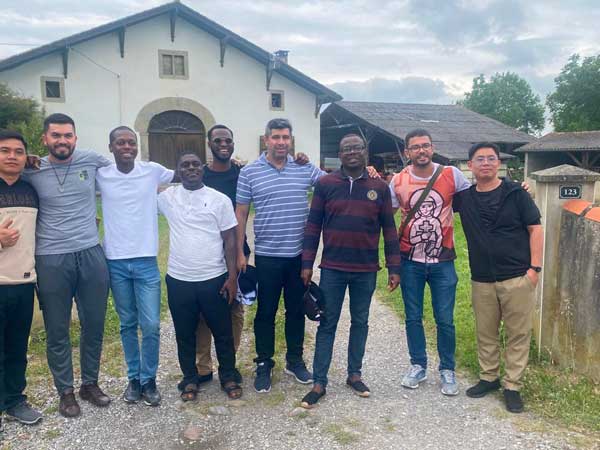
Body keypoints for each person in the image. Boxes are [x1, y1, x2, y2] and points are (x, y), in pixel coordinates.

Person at [299, 133, 401, 408]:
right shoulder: (325, 184)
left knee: (361, 321)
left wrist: (394, 266)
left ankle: (354, 374)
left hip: (365, 269)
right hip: (332, 268)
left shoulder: (379, 187)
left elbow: (389, 229)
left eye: (357, 147)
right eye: (346, 148)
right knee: (327, 323)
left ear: (365, 151)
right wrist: (307, 264)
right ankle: (319, 382)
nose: (352, 152)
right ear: (339, 154)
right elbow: (313, 226)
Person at [22, 113, 111, 417]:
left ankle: (90, 383)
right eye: (56, 135)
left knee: (94, 323)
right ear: (45, 139)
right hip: (51, 258)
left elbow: (128, 168)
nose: (62, 141)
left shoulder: (92, 160)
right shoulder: (32, 169)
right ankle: (65, 391)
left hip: (90, 253)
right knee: (57, 328)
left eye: (68, 135)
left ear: (75, 138)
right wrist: (23, 159)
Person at [235, 118, 323, 393]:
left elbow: (335, 184)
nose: (281, 142)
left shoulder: (304, 168)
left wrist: (368, 171)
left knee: (296, 310)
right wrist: (239, 251)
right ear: (266, 140)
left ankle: (294, 361)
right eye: (276, 137)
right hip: (267, 256)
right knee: (266, 311)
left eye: (286, 137)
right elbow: (241, 213)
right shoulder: (249, 172)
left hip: (298, 256)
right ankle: (264, 362)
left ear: (291, 140)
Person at [454, 142, 543, 413]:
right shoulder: (463, 199)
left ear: (499, 164)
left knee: (518, 334)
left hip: (517, 277)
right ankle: (489, 377)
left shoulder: (516, 194)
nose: (486, 163)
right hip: (482, 278)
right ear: (470, 165)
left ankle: (512, 386)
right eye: (480, 159)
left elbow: (535, 229)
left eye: (491, 158)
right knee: (486, 332)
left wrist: (534, 270)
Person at [389, 129, 472, 396]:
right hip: (409, 261)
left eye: (425, 145)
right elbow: (383, 215)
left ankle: (447, 368)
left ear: (432, 148)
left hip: (443, 261)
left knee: (445, 319)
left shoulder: (451, 175)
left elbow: (477, 199)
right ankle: (418, 365)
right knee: (413, 316)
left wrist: (517, 188)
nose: (421, 150)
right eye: (415, 147)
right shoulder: (398, 180)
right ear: (407, 152)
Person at [96, 126, 174, 406]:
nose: (127, 147)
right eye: (120, 142)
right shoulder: (101, 174)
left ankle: (149, 379)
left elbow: (186, 172)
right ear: (111, 147)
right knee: (127, 323)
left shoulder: (152, 170)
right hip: (115, 261)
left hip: (146, 261)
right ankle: (134, 379)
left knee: (150, 324)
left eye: (131, 142)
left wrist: (233, 164)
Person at [159, 153, 242, 401]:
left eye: (195, 164)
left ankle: (228, 375)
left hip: (214, 277)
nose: (191, 168)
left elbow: (230, 240)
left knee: (223, 332)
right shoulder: (166, 198)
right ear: (178, 171)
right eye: (185, 165)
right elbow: (139, 188)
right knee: (185, 334)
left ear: (202, 169)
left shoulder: (219, 199)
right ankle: (190, 378)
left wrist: (232, 277)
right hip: (179, 279)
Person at [194, 124, 248, 386]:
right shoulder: (199, 175)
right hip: (204, 252)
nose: (223, 144)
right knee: (202, 313)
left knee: (234, 309)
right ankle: (203, 367)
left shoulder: (242, 174)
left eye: (228, 140)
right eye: (218, 140)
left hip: (236, 250)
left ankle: (229, 363)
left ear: (233, 143)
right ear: (209, 144)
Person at [0, 130, 42, 428]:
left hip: (23, 282)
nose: (12, 156)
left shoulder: (32, 189)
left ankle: (14, 400)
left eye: (18, 151)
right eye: (5, 151)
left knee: (16, 348)